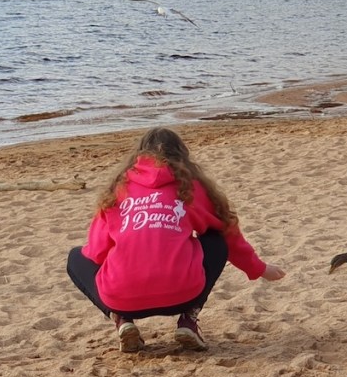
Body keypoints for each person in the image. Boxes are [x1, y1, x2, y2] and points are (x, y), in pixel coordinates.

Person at [66, 126, 286, 352]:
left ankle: (121, 319)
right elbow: (228, 231)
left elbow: (96, 252)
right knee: (215, 238)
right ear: (182, 155)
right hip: (183, 294)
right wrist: (259, 269)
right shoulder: (190, 186)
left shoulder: (116, 191)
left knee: (76, 257)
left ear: (138, 155)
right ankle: (189, 319)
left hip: (123, 299)